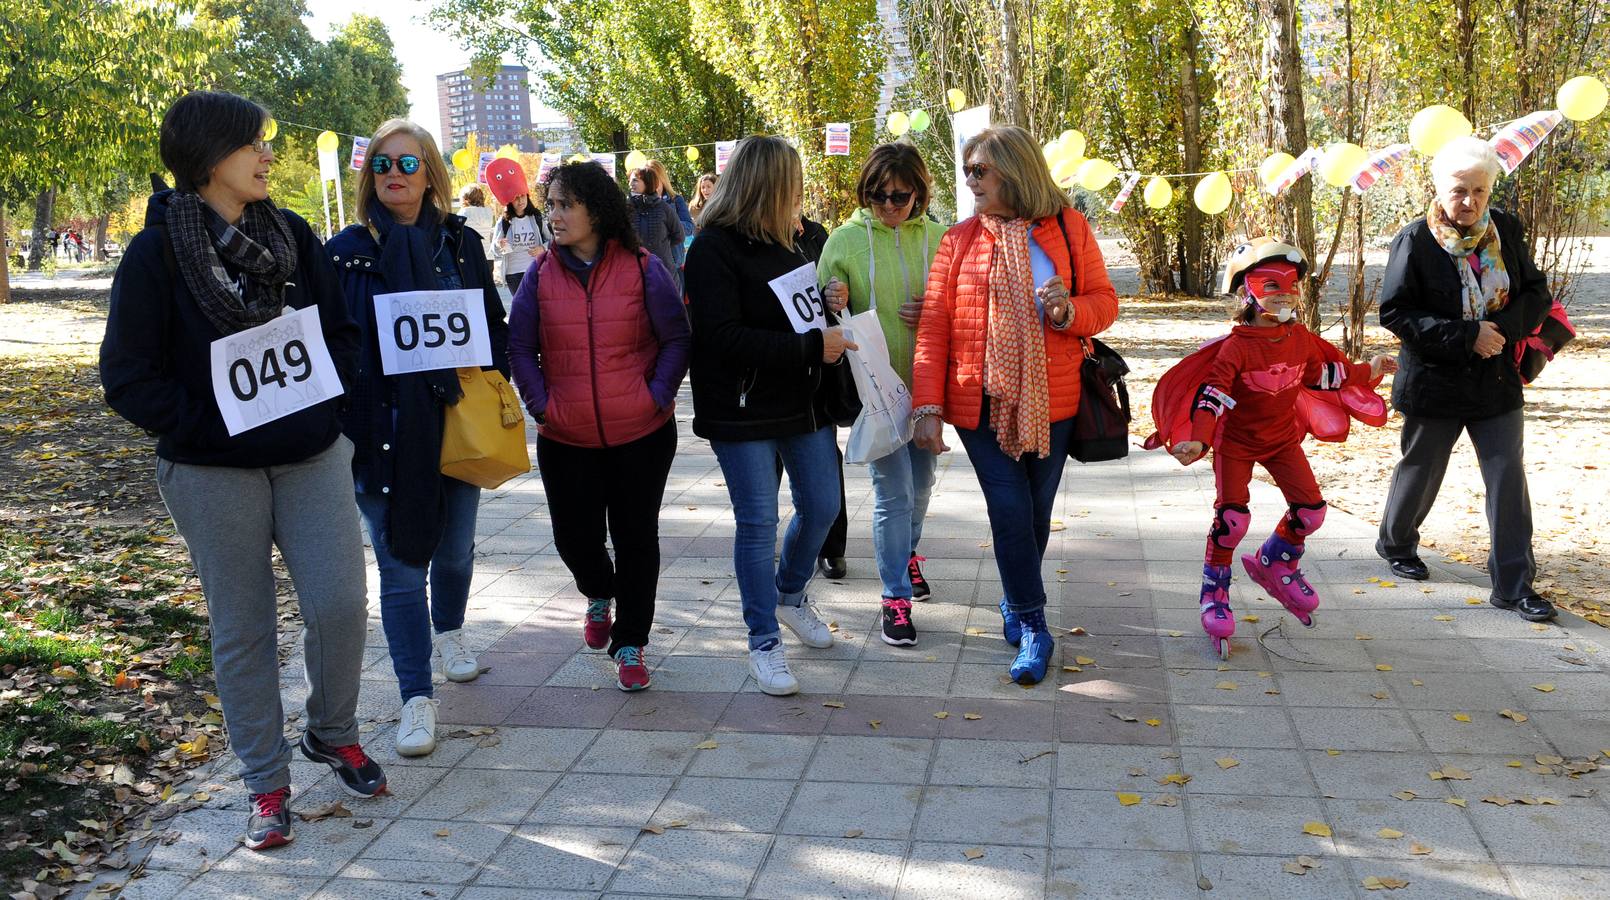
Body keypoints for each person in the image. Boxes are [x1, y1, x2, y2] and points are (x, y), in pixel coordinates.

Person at [99, 90, 384, 852]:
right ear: (206, 159)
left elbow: (342, 332)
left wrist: (333, 409)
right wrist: (213, 423)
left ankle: (334, 733)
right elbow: (125, 377)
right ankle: (265, 782)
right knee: (244, 627)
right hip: (210, 471)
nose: (267, 156)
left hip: (311, 455)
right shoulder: (156, 252)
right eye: (252, 144)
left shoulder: (292, 234)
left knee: (339, 604)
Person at [326, 118, 511, 757]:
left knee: (455, 554)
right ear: (367, 175)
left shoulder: (459, 245)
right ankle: (415, 697)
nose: (394, 176)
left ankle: (451, 629)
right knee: (402, 569)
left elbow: (491, 326)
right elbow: (329, 341)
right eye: (382, 165)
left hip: (455, 424)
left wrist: (497, 389)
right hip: (380, 433)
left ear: (431, 172)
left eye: (407, 164)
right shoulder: (344, 251)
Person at [911, 124, 1119, 685]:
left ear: (1015, 169)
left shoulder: (1069, 229)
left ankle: (1014, 596)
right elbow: (934, 326)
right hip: (980, 401)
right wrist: (926, 406)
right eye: (968, 170)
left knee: (1034, 515)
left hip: (1055, 398)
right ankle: (1033, 623)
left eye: (980, 170)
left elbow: (1105, 303)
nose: (970, 180)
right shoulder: (958, 240)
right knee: (1008, 508)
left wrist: (1068, 310)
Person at [1156, 238, 1395, 658]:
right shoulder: (1237, 347)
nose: (1284, 294)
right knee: (1232, 520)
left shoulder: (1299, 337)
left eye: (1291, 286)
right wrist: (1199, 437)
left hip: (1282, 440)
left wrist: (1366, 371)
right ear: (1247, 291)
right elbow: (1213, 394)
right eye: (1271, 285)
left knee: (1311, 512)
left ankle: (1275, 561)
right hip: (1237, 443)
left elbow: (1322, 377)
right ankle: (1215, 591)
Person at [507, 160, 690, 691]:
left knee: (636, 537)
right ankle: (598, 590)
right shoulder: (540, 273)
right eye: (552, 206)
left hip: (642, 435)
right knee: (574, 539)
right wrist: (542, 405)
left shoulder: (641, 266)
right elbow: (520, 345)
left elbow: (677, 337)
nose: (554, 216)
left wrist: (655, 396)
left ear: (597, 209)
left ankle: (631, 641)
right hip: (566, 438)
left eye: (566, 205)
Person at [684, 136, 853, 696]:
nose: (802, 195)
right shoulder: (711, 249)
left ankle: (788, 594)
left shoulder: (799, 241)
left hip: (803, 404)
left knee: (823, 506)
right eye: (795, 184)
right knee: (757, 522)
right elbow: (721, 337)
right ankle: (764, 641)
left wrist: (828, 303)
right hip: (741, 409)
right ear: (769, 186)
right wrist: (811, 347)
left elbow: (796, 315)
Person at [1375, 136, 1556, 621]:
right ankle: (1396, 543)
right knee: (1422, 468)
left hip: (1496, 381)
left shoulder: (1507, 231)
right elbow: (1395, 312)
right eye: (1459, 191)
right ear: (1439, 190)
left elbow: (1537, 293)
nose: (1470, 201)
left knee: (1506, 479)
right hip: (1435, 380)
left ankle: (1514, 586)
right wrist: (1465, 335)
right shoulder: (1414, 240)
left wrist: (1499, 330)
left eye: (1479, 190)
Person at [819, 143, 949, 646]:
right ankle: (894, 597)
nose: (889, 207)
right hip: (873, 389)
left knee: (920, 489)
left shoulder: (941, 238)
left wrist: (938, 312)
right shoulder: (846, 240)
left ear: (919, 192)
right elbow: (820, 310)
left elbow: (966, 308)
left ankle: (907, 553)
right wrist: (834, 298)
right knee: (893, 495)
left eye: (899, 196)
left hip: (928, 391)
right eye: (877, 197)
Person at [628, 166, 685, 276]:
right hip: (635, 272)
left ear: (647, 182)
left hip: (663, 272)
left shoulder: (664, 208)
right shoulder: (627, 208)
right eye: (629, 180)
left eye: (635, 180)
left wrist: (661, 246)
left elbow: (679, 235)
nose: (630, 184)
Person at [492, 188, 550, 295]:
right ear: (510, 201)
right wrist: (500, 245)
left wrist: (542, 248)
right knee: (521, 307)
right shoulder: (504, 221)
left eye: (523, 196)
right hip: (513, 273)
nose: (520, 201)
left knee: (536, 305)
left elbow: (551, 241)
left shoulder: (536, 217)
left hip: (535, 269)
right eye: (516, 198)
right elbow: (494, 249)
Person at [647, 159, 695, 264]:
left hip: (673, 262)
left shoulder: (676, 199)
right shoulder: (641, 203)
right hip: (649, 263)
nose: (652, 184)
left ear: (662, 179)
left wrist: (669, 225)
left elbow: (689, 227)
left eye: (655, 179)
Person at [458, 183, 495, 266]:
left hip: (471, 256)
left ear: (465, 198)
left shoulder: (463, 213)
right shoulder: (489, 212)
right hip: (488, 256)